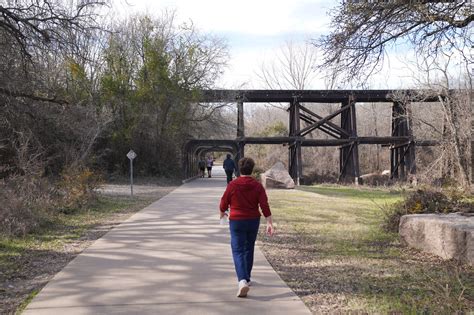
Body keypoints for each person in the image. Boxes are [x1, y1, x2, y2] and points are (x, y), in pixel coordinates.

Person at [219, 157, 274, 298]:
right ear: (252, 169)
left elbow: (223, 203)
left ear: (239, 168)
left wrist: (222, 212)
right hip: (253, 220)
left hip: (237, 221)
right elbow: (264, 204)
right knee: (249, 248)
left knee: (238, 250)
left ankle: (242, 280)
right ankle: (247, 278)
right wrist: (269, 222)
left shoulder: (233, 184)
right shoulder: (257, 186)